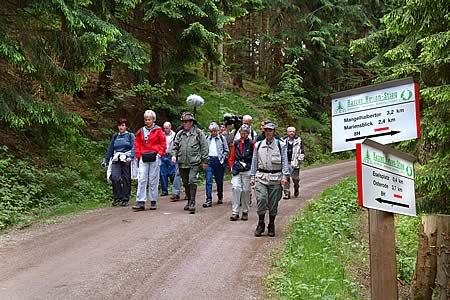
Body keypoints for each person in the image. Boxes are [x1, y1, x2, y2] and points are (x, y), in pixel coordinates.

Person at [250, 122, 290, 237]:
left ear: (274, 132)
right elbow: (254, 162)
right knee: (261, 199)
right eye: (266, 130)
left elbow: (284, 162)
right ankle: (261, 223)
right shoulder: (258, 145)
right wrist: (252, 176)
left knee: (273, 203)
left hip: (275, 177)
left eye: (270, 130)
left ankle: (271, 224)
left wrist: (284, 176)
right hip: (261, 177)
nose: (268, 132)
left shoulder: (281, 145)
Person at [171, 112, 209, 214]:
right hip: (182, 162)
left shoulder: (198, 133)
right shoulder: (180, 134)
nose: (185, 123)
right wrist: (174, 155)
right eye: (184, 121)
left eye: (187, 121)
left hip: (194, 162)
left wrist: (205, 160)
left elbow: (204, 147)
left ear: (192, 122)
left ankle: (192, 202)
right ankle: (188, 200)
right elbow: (175, 146)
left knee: (192, 180)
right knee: (185, 183)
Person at [132, 110, 166, 211]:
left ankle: (153, 200)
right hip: (143, 156)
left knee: (153, 179)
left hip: (154, 156)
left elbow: (163, 143)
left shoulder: (158, 130)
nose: (147, 121)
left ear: (153, 120)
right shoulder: (140, 131)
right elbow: (137, 143)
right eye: (146, 119)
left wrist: (159, 154)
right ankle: (140, 201)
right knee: (142, 178)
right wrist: (138, 154)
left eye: (149, 119)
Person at [102, 118, 135, 207]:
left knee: (126, 179)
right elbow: (111, 148)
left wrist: (131, 157)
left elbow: (134, 147)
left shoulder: (130, 136)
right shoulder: (115, 136)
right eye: (119, 125)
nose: (121, 127)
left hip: (126, 159)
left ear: (126, 126)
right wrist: (106, 160)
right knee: (114, 177)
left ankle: (125, 199)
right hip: (116, 158)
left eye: (123, 125)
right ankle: (117, 197)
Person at [228, 124, 255, 221]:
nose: (243, 135)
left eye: (245, 133)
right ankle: (235, 212)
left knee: (246, 190)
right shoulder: (236, 143)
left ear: (248, 134)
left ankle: (245, 211)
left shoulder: (251, 144)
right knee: (235, 188)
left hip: (247, 169)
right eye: (241, 133)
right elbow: (232, 156)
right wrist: (232, 167)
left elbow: (254, 158)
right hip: (237, 169)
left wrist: (253, 171)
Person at [203, 122, 229, 207]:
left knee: (219, 181)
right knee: (208, 181)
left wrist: (223, 157)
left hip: (219, 161)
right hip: (209, 161)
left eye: (215, 131)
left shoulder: (222, 138)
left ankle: (220, 196)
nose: (213, 133)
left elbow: (226, 150)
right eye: (211, 131)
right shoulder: (207, 138)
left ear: (217, 131)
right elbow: (204, 149)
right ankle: (208, 199)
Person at [283, 126, 305, 199]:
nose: (292, 133)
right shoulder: (283, 140)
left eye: (293, 131)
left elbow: (302, 150)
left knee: (295, 179)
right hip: (286, 162)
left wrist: (300, 158)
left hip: (295, 162)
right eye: (290, 131)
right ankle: (287, 193)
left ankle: (296, 187)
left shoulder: (298, 140)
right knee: (286, 178)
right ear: (287, 132)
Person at [160, 121, 176, 197]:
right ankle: (164, 190)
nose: (165, 129)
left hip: (171, 155)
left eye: (167, 128)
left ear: (170, 127)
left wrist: (174, 155)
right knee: (163, 174)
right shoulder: (161, 135)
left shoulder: (174, 135)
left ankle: (175, 189)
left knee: (172, 173)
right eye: (164, 128)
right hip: (163, 155)